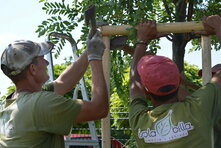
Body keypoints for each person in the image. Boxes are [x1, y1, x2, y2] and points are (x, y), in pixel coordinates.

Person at [0, 31, 108, 148]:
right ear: (33, 69)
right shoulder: (40, 103)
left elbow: (63, 82)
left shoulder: (9, 105)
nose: (46, 62)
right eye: (42, 58)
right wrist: (95, 58)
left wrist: (90, 50)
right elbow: (99, 109)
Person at [129, 15, 221, 148]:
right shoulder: (199, 107)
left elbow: (134, 83)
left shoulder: (140, 122)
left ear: (146, 92)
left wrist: (142, 40)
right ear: (179, 82)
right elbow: (135, 83)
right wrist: (218, 27)